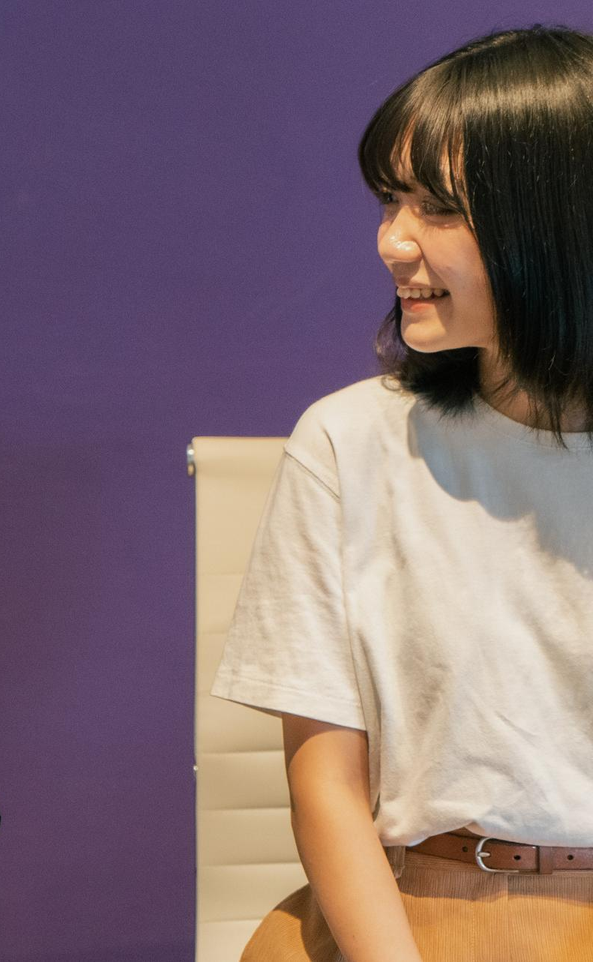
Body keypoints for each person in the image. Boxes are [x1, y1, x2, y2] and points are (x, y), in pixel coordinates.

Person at [211, 25, 593, 962]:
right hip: (406, 915)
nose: (392, 242)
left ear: (559, 223)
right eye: (391, 201)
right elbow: (326, 788)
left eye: (440, 208)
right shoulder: (348, 443)